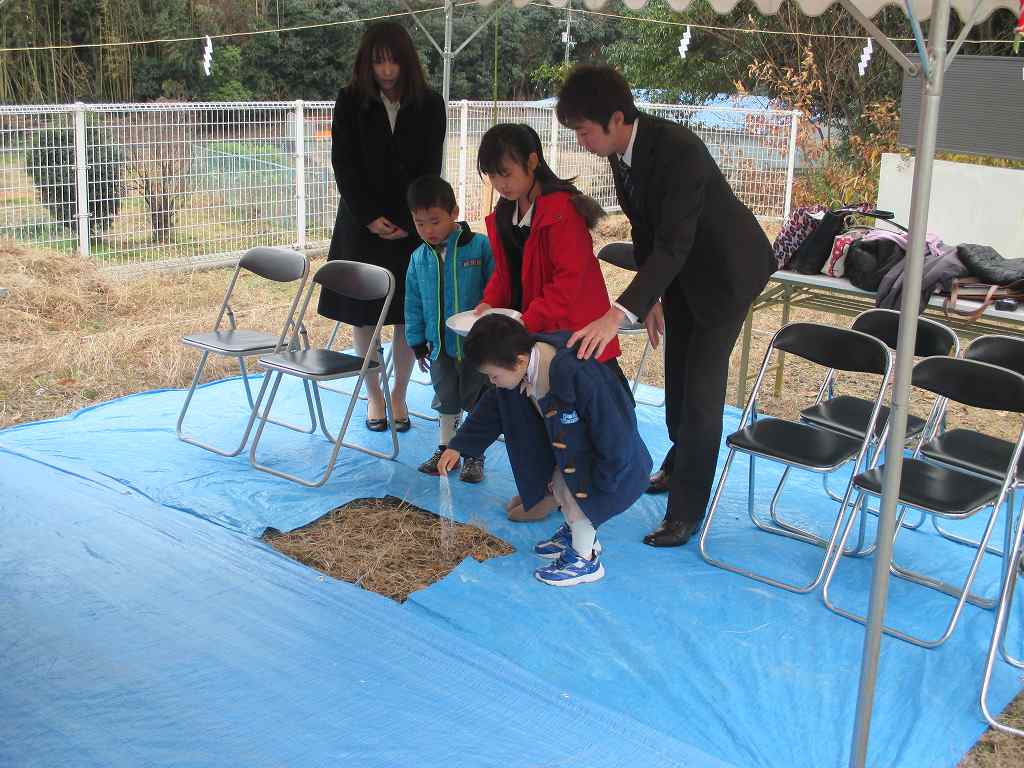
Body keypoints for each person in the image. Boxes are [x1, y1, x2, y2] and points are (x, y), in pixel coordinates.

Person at [556, 65, 776, 548]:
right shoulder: (621, 153)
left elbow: (675, 241)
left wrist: (621, 313)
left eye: (584, 131)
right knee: (677, 374)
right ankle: (679, 464)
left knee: (701, 391)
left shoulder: (679, 150)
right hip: (679, 274)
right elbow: (645, 231)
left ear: (616, 118)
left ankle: (686, 511)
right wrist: (650, 296)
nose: (582, 142)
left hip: (725, 275)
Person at [474, 122, 626, 522]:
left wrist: (524, 321)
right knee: (519, 405)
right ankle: (543, 489)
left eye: (506, 173)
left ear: (532, 162)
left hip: (573, 338)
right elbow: (505, 274)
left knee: (570, 423)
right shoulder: (508, 211)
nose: (499, 183)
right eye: (492, 175)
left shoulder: (561, 211)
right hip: (534, 330)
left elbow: (569, 283)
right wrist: (489, 304)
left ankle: (565, 496)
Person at [437, 314, 652, 587]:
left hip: (611, 463)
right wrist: (458, 445)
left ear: (519, 362)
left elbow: (614, 426)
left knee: (576, 499)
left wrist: (607, 478)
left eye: (494, 376)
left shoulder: (576, 375)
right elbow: (492, 408)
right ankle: (580, 533)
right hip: (575, 455)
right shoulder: (521, 364)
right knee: (562, 487)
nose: (493, 382)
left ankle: (585, 559)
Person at [319, 21, 446, 433]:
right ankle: (374, 396)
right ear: (366, 64)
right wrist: (369, 216)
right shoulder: (350, 101)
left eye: (393, 61)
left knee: (408, 316)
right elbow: (345, 165)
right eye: (378, 62)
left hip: (412, 225)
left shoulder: (429, 103)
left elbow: (430, 167)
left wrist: (416, 220)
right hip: (361, 224)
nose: (387, 70)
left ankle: (400, 395)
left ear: (406, 61)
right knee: (364, 315)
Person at [404, 175, 494, 483]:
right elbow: (413, 303)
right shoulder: (418, 259)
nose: (428, 231)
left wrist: (493, 331)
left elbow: (496, 289)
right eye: (419, 224)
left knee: (478, 398)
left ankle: (473, 454)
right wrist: (417, 343)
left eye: (435, 221)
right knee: (446, 398)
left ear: (454, 213)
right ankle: (445, 449)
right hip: (439, 346)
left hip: (477, 346)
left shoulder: (480, 247)